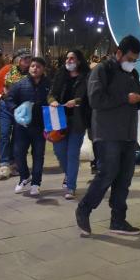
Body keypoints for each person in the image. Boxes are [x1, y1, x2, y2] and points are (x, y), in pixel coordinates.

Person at [75, 35, 140, 236]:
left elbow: (135, 100)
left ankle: (118, 220)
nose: (132, 63)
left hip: (128, 134)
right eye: (130, 58)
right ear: (119, 53)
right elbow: (96, 100)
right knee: (106, 174)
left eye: (135, 60)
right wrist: (125, 98)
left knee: (124, 179)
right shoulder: (102, 70)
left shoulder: (133, 74)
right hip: (107, 133)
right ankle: (84, 209)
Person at [49, 50, 91, 200]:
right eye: (67, 58)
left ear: (79, 61)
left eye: (72, 58)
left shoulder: (87, 76)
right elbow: (51, 93)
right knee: (59, 151)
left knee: (72, 154)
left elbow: (90, 98)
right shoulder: (60, 75)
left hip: (78, 120)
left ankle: (71, 186)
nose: (69, 60)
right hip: (60, 120)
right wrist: (52, 101)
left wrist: (77, 101)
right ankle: (69, 174)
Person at [9, 56, 50, 196]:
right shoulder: (20, 84)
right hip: (22, 127)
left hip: (41, 127)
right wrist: (16, 110)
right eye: (33, 66)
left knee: (38, 155)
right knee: (18, 153)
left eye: (38, 66)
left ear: (43, 69)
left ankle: (36, 183)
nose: (35, 68)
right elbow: (9, 99)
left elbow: (55, 100)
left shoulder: (48, 85)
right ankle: (24, 177)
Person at [0, 50, 31, 180]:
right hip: (6, 107)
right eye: (25, 59)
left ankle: (13, 163)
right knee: (4, 134)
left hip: (21, 109)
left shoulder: (31, 73)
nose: (27, 62)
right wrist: (0, 95)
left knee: (17, 137)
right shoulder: (7, 70)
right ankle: (4, 164)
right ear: (18, 60)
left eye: (29, 59)